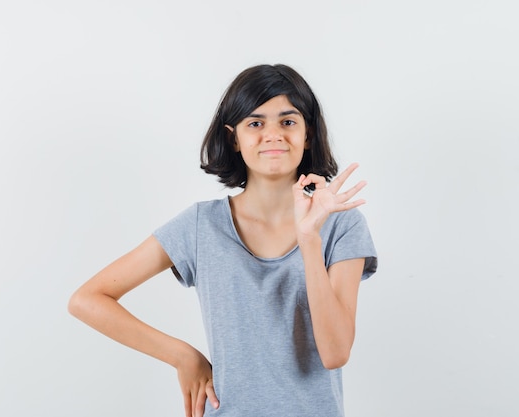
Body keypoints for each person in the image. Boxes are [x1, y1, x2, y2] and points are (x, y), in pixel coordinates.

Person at [68, 63, 377, 417]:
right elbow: (87, 300)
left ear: (307, 134)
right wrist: (182, 356)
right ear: (234, 137)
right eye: (256, 123)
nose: (273, 134)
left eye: (288, 121)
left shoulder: (342, 224)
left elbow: (335, 352)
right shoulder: (200, 225)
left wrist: (309, 239)